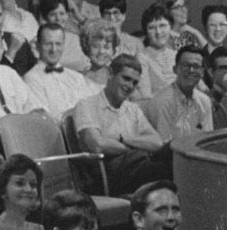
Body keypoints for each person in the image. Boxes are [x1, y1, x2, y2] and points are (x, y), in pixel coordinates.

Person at [74, 54, 173, 193]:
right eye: (126, 79)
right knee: (170, 167)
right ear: (110, 74)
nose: (130, 86)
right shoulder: (86, 105)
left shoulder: (132, 108)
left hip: (138, 165)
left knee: (173, 150)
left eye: (134, 82)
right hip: (108, 173)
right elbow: (98, 145)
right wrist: (137, 147)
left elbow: (156, 142)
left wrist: (122, 139)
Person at [142, 45, 214, 141]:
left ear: (202, 72)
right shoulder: (162, 102)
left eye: (196, 66)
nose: (191, 70)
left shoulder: (204, 101)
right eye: (186, 65)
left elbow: (208, 141)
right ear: (175, 69)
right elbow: (164, 148)